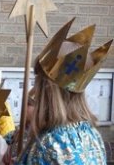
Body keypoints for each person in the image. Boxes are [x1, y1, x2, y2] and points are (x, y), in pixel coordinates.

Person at [15, 18, 113, 164]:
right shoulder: (93, 136)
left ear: (46, 89)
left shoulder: (46, 144)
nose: (34, 88)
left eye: (37, 81)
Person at [2, 88, 35, 165]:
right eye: (24, 104)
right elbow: (6, 140)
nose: (24, 108)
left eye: (29, 104)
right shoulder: (18, 130)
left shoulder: (40, 134)